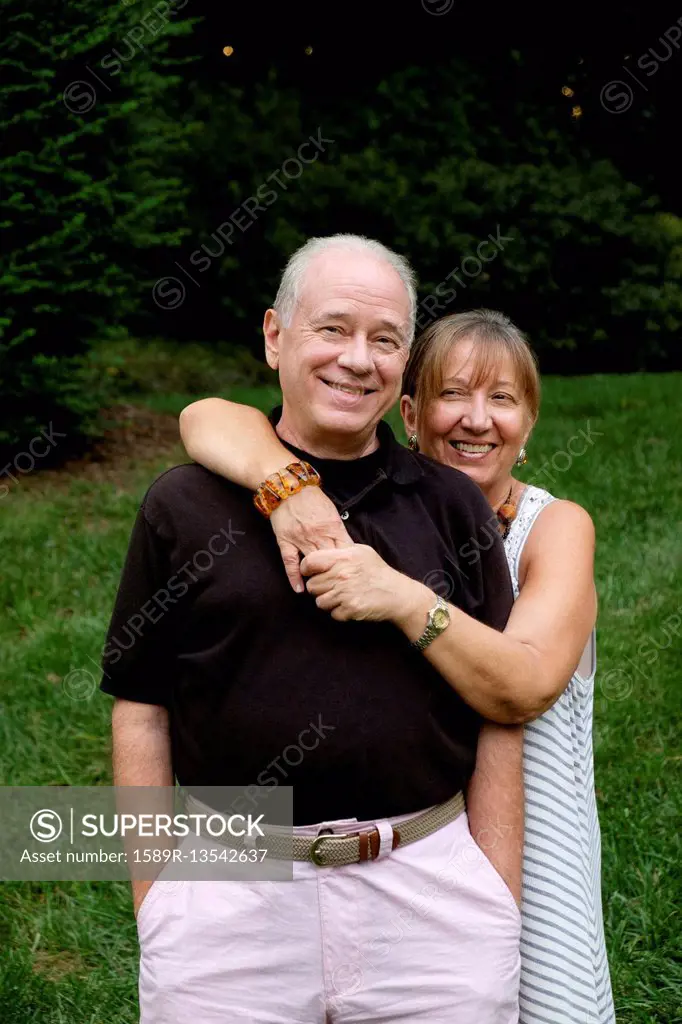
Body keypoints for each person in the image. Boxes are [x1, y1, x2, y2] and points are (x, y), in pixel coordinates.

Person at [101, 234, 526, 1024]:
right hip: (229, 899)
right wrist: (156, 895)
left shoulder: (451, 506)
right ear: (274, 336)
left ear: (403, 363)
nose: (357, 360)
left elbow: (500, 709)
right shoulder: (183, 506)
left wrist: (493, 896)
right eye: (332, 329)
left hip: (429, 895)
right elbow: (140, 705)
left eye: (384, 339)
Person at [179, 303, 616, 1024]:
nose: (476, 419)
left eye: (502, 399)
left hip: (535, 835)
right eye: (453, 394)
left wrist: (402, 599)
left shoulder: (552, 527)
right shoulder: (364, 512)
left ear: (529, 426)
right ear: (408, 412)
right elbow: (203, 415)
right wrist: (288, 488)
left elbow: (525, 683)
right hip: (412, 852)